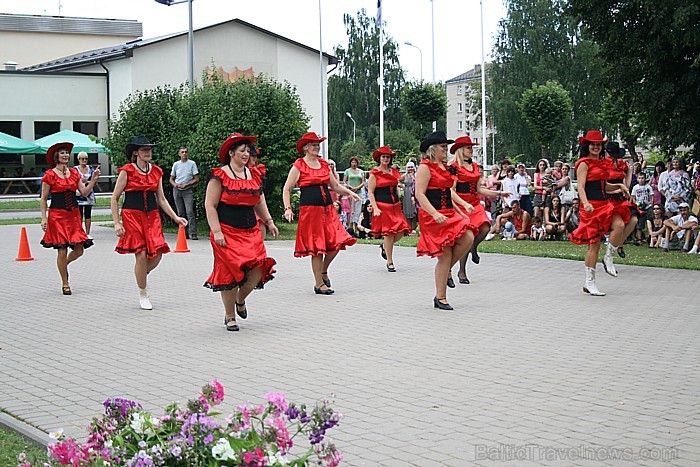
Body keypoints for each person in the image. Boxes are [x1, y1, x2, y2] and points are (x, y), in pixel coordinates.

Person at [203, 133, 278, 332]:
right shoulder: (219, 175)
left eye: (248, 151)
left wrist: (269, 222)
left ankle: (240, 299)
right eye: (242, 151)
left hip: (251, 231)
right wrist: (216, 231)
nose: (246, 154)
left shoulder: (254, 175)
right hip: (226, 232)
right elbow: (210, 206)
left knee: (258, 270)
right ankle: (229, 316)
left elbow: (259, 201)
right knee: (230, 275)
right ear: (231, 153)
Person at [111, 135, 188, 310]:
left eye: (150, 150)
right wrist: (117, 223)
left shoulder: (156, 171)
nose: (148, 152)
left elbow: (161, 199)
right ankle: (143, 293)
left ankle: (141, 274)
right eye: (144, 150)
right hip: (132, 215)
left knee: (158, 253)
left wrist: (176, 217)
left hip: (152, 216)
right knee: (141, 253)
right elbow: (114, 198)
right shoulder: (127, 171)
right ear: (136, 152)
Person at [282, 132, 360, 295]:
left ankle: (323, 271)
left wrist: (349, 193)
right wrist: (288, 208)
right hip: (310, 211)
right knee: (317, 248)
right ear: (305, 148)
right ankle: (318, 283)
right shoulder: (299, 165)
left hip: (328, 210)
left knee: (338, 241)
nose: (316, 147)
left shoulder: (324, 164)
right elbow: (287, 189)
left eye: (318, 144)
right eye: (313, 145)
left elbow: (335, 186)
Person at [414, 131, 477, 310]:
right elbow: (420, 194)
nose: (446, 149)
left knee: (468, 236)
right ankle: (440, 297)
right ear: (432, 150)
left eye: (446, 146)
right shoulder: (425, 167)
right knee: (446, 254)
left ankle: (447, 269)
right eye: (443, 147)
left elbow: (448, 192)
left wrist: (461, 210)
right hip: (432, 216)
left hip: (449, 212)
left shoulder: (445, 167)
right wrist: (434, 214)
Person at [569, 130, 626, 296]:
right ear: (587, 146)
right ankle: (589, 282)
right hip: (591, 207)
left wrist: (619, 187)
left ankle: (608, 257)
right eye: (593, 144)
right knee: (594, 245)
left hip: (605, 204)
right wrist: (585, 203)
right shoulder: (583, 163)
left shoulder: (602, 162)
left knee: (620, 225)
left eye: (598, 144)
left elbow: (604, 186)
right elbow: (580, 186)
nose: (596, 147)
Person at [40, 142, 100, 295]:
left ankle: (63, 265)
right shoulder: (50, 175)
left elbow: (84, 192)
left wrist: (93, 180)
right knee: (62, 249)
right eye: (62, 153)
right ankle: (65, 283)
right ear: (56, 157)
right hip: (57, 216)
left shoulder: (74, 173)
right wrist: (44, 218)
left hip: (73, 215)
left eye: (67, 152)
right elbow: (43, 198)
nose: (65, 155)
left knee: (79, 250)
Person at [450, 135, 507, 284]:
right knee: (466, 236)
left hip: (474, 204)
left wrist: (499, 193)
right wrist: (463, 204)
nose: (471, 150)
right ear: (461, 150)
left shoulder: (475, 166)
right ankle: (462, 271)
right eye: (468, 148)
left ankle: (474, 248)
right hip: (461, 205)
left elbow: (479, 190)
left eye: (471, 148)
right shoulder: (454, 167)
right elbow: (451, 191)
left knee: (485, 227)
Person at [367, 145, 412, 272]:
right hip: (382, 206)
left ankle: (384, 247)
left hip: (395, 206)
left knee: (402, 231)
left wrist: (400, 202)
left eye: (388, 157)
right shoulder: (374, 173)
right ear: (379, 158)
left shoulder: (394, 171)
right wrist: (375, 208)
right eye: (384, 157)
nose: (386, 159)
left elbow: (396, 188)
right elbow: (370, 192)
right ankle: (390, 261)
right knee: (389, 233)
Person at [603, 141, 639, 258]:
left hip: (620, 198)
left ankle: (617, 244)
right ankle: (612, 249)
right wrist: (616, 189)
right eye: (612, 155)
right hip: (607, 197)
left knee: (633, 219)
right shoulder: (602, 164)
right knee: (615, 225)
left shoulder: (620, 164)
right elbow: (602, 185)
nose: (614, 158)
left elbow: (627, 177)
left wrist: (626, 184)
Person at [170, 145, 200, 240]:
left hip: (187, 190)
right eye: (182, 152)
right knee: (180, 212)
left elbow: (196, 178)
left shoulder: (192, 164)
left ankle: (193, 232)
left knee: (189, 211)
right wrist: (175, 185)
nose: (184, 154)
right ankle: (183, 233)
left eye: (186, 152)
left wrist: (187, 184)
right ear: (179, 154)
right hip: (177, 189)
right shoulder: (176, 164)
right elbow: (171, 178)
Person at [247, 146, 269, 239]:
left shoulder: (257, 171)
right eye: (251, 155)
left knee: (261, 225)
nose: (254, 158)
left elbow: (261, 194)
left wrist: (269, 220)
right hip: (244, 208)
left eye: (255, 156)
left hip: (257, 205)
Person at [75, 151, 96, 237]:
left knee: (88, 214)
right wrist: (80, 181)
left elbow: (94, 180)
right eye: (82, 159)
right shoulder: (75, 169)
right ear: (79, 159)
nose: (84, 160)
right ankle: (80, 232)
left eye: (86, 159)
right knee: (79, 214)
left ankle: (87, 233)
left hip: (89, 194)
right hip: (78, 194)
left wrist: (87, 181)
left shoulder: (91, 168)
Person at [343, 156, 365, 236]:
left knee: (357, 210)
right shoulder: (347, 171)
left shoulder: (361, 172)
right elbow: (344, 181)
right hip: (350, 193)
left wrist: (357, 188)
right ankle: (350, 228)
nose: (354, 164)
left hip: (358, 192)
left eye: (355, 162)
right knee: (350, 210)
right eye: (352, 162)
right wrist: (350, 187)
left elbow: (363, 182)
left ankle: (356, 228)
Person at [630, 171, 654, 245]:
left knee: (649, 222)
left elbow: (652, 196)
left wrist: (651, 204)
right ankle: (639, 239)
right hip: (639, 207)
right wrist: (636, 204)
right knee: (639, 224)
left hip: (648, 206)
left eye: (643, 178)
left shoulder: (648, 187)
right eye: (639, 178)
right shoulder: (635, 187)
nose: (641, 180)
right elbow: (633, 197)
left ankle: (649, 237)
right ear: (637, 179)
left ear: (645, 179)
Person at [399, 161, 417, 231]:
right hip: (406, 192)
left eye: (411, 167)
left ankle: (414, 227)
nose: (410, 169)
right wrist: (402, 186)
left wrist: (413, 177)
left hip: (414, 192)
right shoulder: (404, 175)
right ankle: (408, 227)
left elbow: (418, 182)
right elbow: (397, 180)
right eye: (408, 167)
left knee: (414, 209)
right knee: (407, 209)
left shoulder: (416, 174)